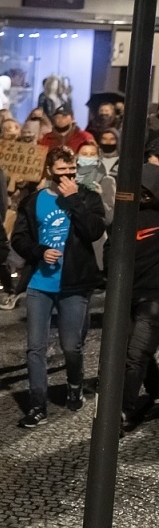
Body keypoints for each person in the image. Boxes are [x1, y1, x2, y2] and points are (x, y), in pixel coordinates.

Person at [13, 147, 106, 427]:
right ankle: (37, 405)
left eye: (71, 169)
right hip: (40, 283)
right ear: (49, 171)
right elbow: (19, 238)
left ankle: (74, 384)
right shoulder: (33, 201)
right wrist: (40, 251)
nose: (67, 175)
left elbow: (94, 231)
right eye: (61, 170)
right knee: (35, 348)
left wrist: (74, 199)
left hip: (74, 283)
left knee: (71, 346)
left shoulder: (88, 197)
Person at [121, 164, 159, 431]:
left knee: (136, 355)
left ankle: (123, 410)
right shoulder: (126, 218)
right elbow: (111, 249)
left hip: (153, 299)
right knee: (135, 351)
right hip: (127, 296)